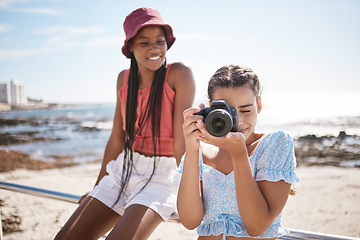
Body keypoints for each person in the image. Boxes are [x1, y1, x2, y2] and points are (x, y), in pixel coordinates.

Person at [55, 7, 195, 240]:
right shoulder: (123, 79)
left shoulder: (179, 73)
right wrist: (98, 186)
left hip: (163, 175)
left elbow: (182, 143)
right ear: (130, 46)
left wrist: (196, 191)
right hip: (124, 170)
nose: (154, 48)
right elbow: (117, 139)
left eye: (160, 41)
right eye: (144, 42)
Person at [177, 65, 299, 240]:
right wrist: (191, 149)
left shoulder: (275, 144)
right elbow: (190, 220)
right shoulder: (200, 150)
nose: (238, 120)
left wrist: (239, 153)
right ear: (212, 108)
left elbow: (256, 226)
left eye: (246, 110)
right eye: (228, 111)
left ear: (259, 105)